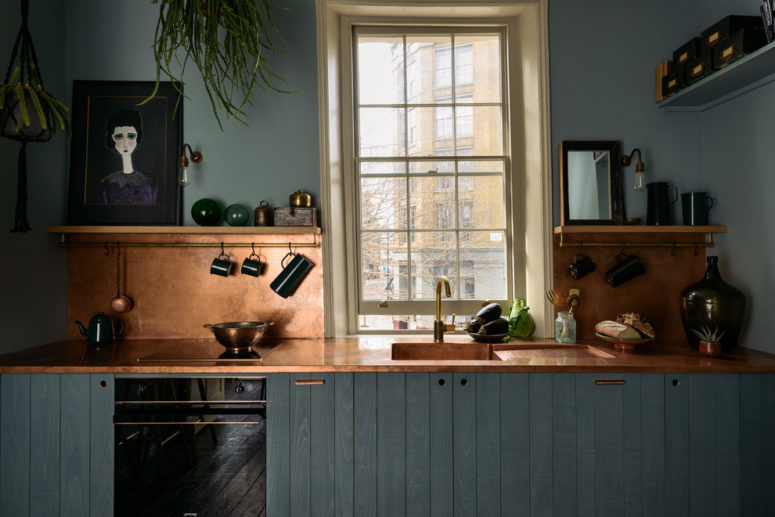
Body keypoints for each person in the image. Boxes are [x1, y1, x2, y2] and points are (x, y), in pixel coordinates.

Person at [101, 109, 157, 204]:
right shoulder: (107, 183)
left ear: (137, 138)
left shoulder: (149, 182)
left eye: (131, 136)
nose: (125, 143)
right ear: (112, 139)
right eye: (119, 137)